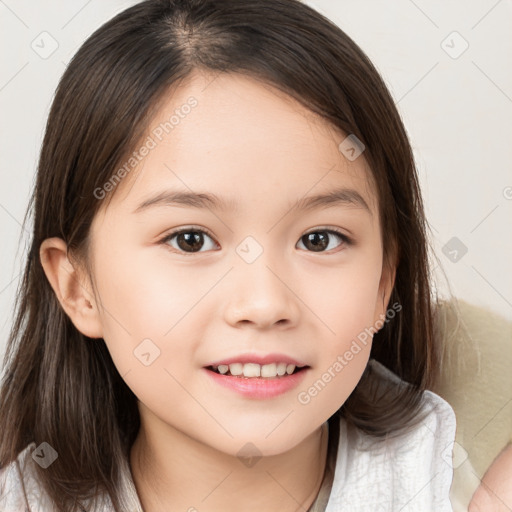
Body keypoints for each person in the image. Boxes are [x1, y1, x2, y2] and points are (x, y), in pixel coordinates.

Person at [0, 0, 457, 510]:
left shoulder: (466, 482)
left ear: (383, 283)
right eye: (190, 239)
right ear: (77, 287)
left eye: (319, 239)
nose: (263, 304)